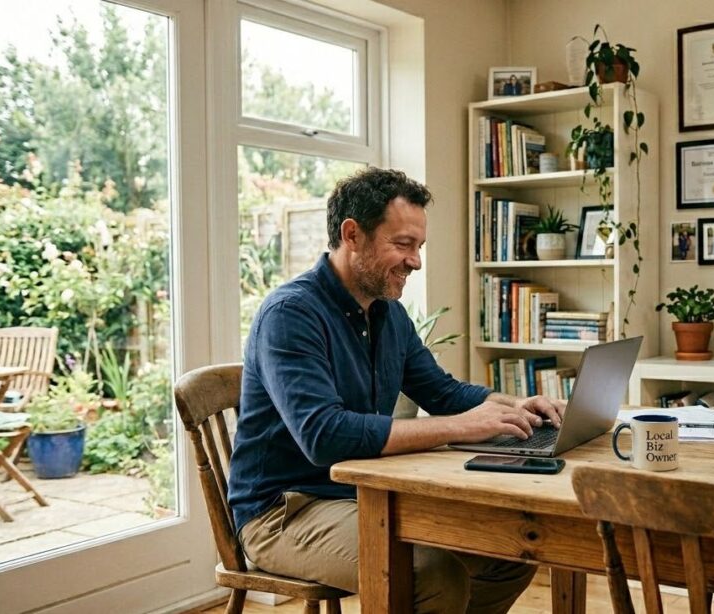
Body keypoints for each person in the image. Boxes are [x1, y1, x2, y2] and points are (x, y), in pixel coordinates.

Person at [230, 167, 564, 613]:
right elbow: (324, 435)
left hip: (363, 494)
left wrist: (512, 405)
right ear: (353, 234)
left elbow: (442, 391)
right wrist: (461, 427)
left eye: (419, 246)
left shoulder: (387, 313)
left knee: (512, 548)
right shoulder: (291, 314)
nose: (416, 261)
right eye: (403, 244)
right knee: (431, 573)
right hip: (285, 511)